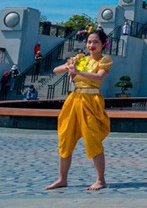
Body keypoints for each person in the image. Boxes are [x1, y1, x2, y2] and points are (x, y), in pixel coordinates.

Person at [45, 29, 112, 190]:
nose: (91, 45)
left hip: (91, 100)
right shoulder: (81, 59)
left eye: (95, 42)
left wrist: (78, 71)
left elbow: (99, 77)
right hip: (74, 100)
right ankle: (62, 179)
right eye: (89, 42)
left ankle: (100, 180)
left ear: (103, 44)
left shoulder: (104, 60)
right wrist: (70, 66)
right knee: (65, 136)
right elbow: (56, 70)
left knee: (92, 138)